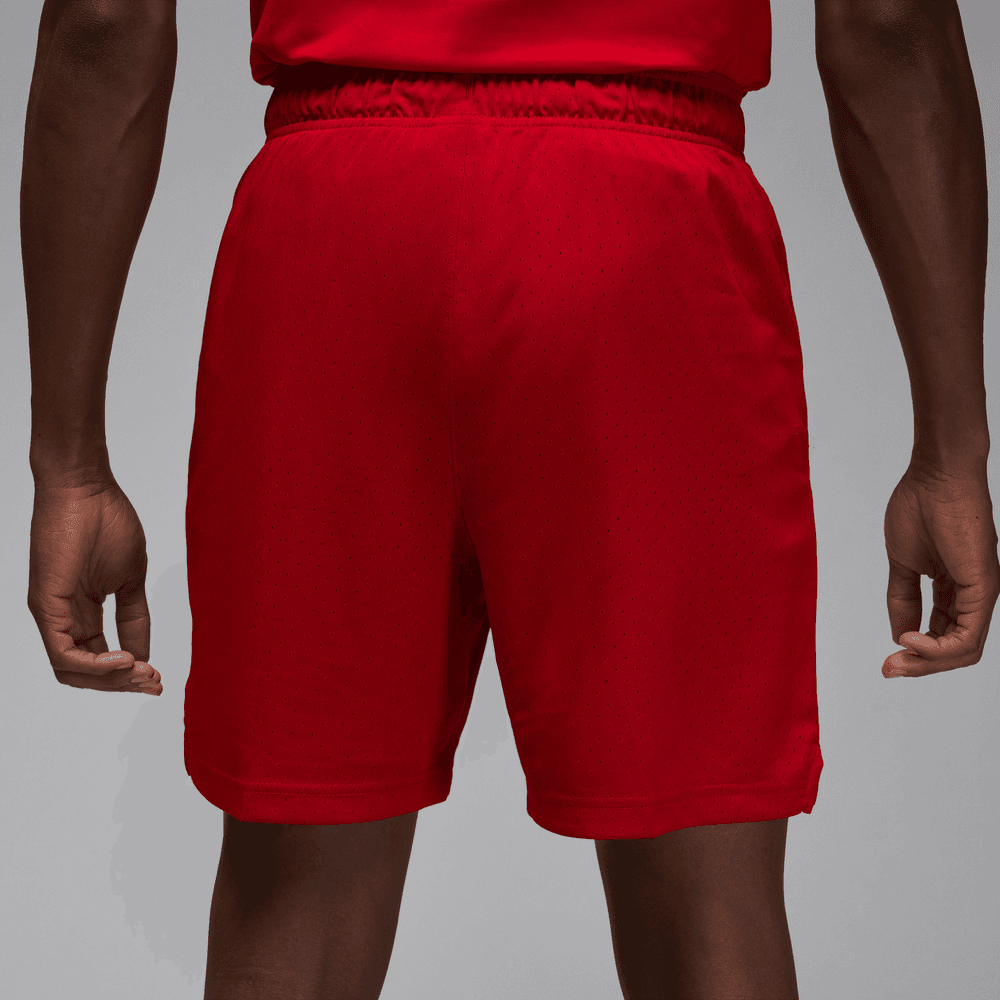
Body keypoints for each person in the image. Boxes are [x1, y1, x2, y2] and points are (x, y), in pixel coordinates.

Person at [21, 0, 998, 997]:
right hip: (644, 239)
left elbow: (105, 18)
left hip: (335, 239)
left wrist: (70, 463)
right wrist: (951, 448)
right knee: (707, 907)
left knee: (295, 902)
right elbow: (886, 20)